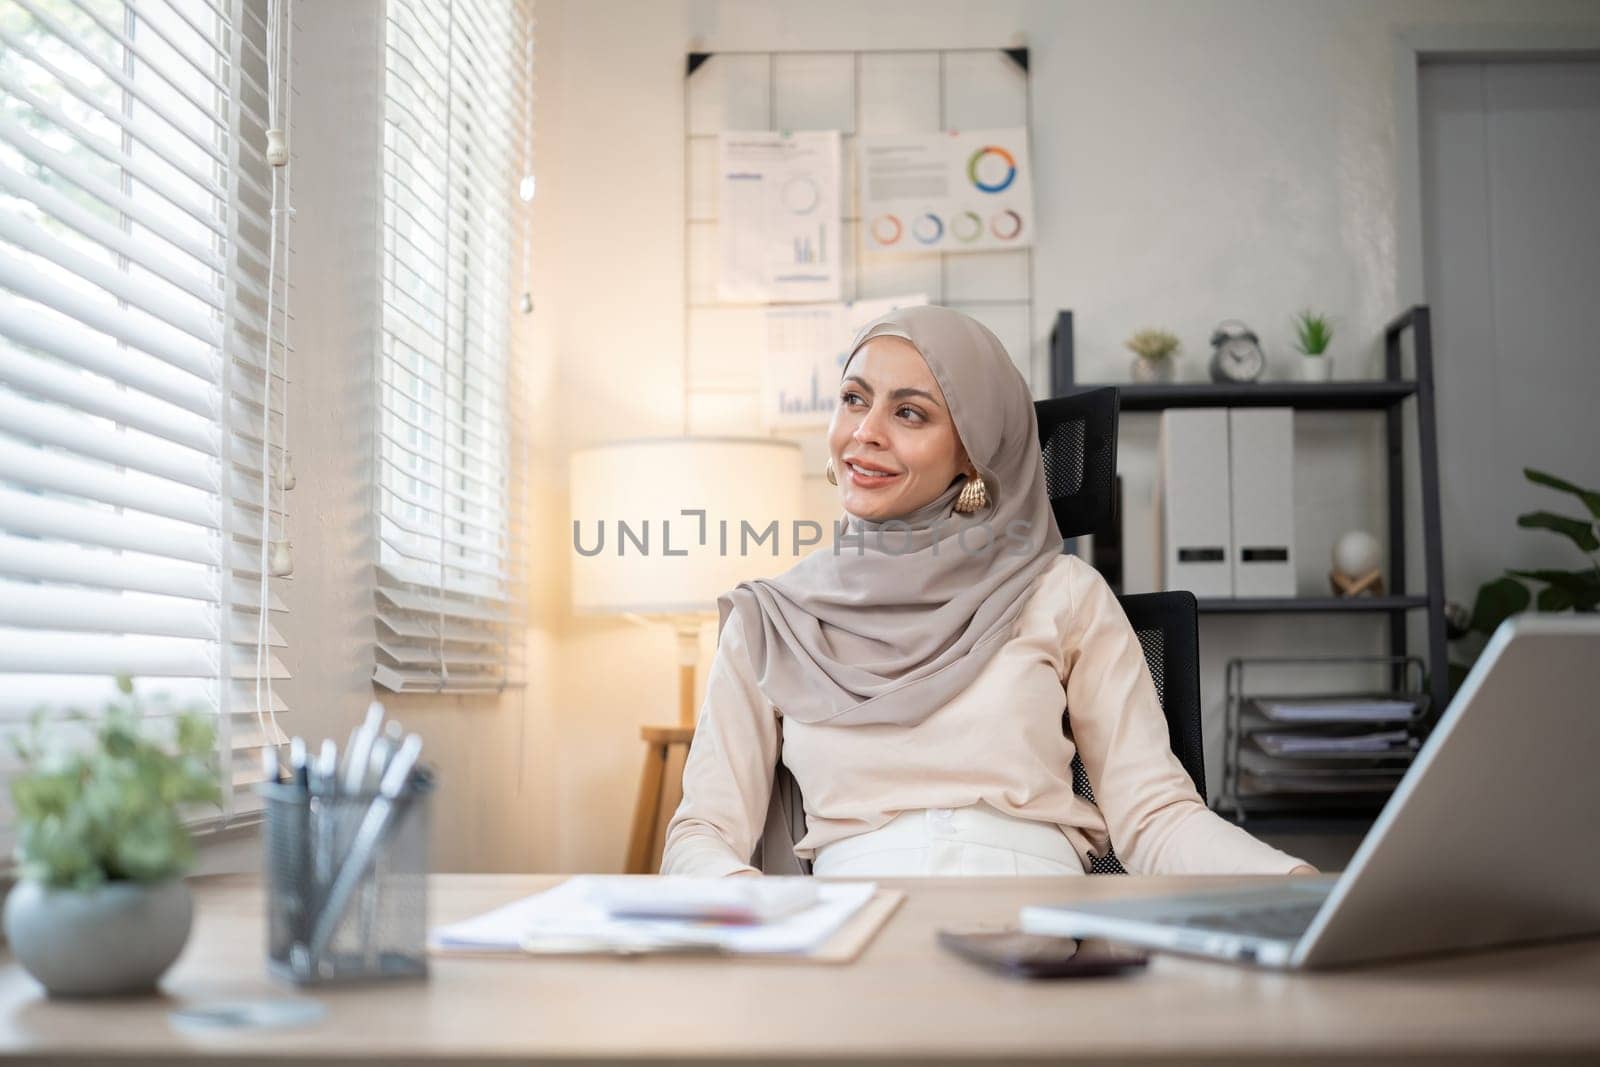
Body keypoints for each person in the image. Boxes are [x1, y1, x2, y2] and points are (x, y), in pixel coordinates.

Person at [661, 305, 1316, 879]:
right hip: (858, 936)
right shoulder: (770, 617)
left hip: (1038, 931)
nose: (866, 431)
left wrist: (1292, 879)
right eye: (854, 398)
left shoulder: (1062, 593)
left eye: (910, 411)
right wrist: (741, 894)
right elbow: (703, 833)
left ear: (972, 453)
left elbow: (1154, 816)